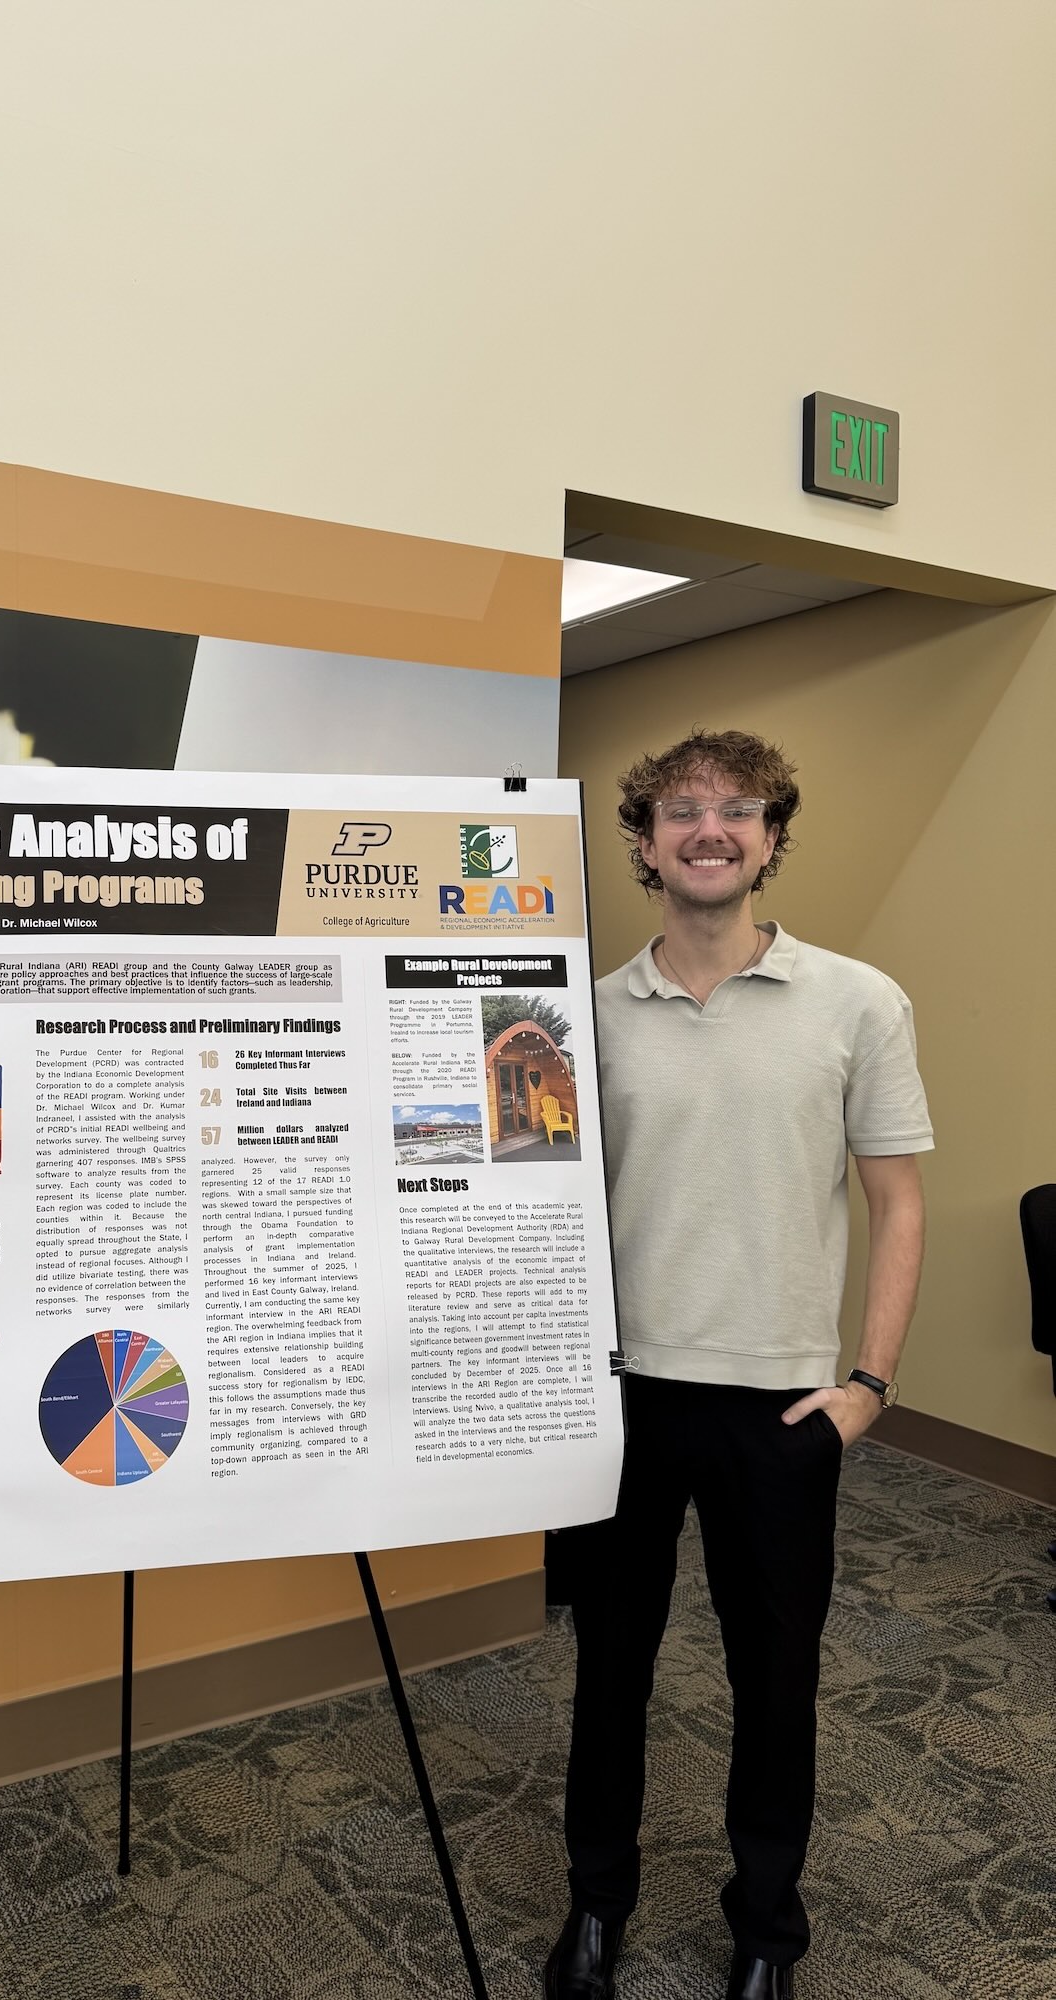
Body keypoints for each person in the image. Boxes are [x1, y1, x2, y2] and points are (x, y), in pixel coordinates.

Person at [545, 730, 932, 2000]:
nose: (708, 830)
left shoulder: (859, 1001)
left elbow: (898, 1199)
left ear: (772, 836)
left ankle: (767, 1930)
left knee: (776, 1682)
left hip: (783, 1406)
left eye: (737, 811)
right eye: (679, 810)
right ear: (644, 839)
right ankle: (595, 1905)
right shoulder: (583, 1012)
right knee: (610, 1669)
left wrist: (867, 1384)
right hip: (624, 1398)